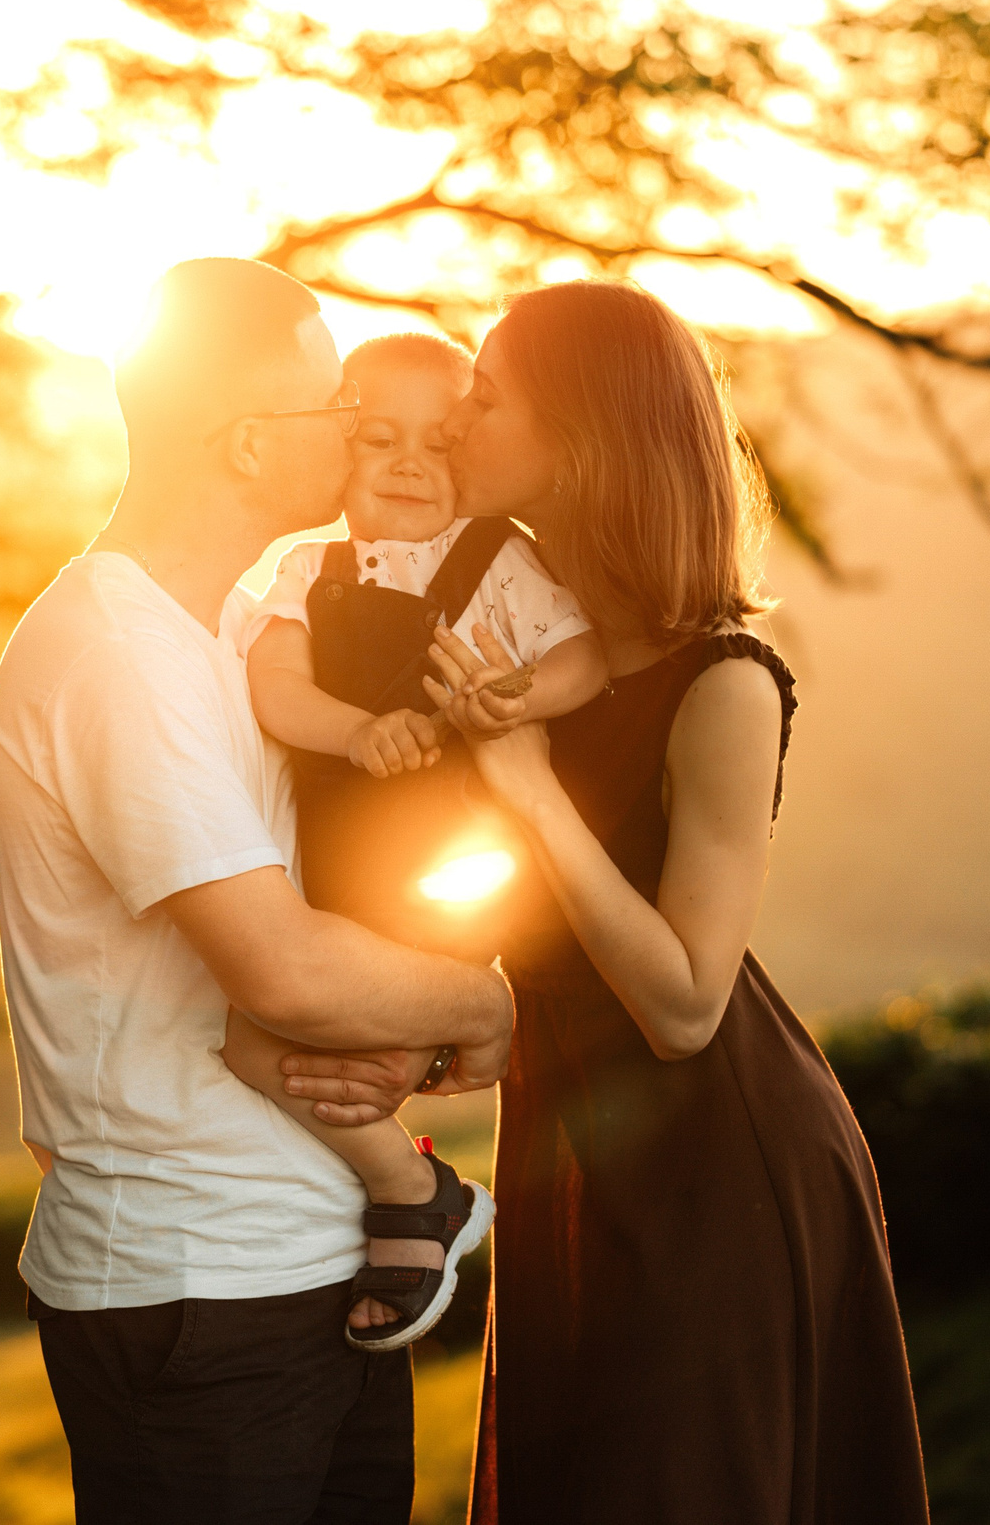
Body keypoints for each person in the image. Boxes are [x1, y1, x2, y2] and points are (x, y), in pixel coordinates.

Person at [278, 281, 933, 1523]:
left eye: (483, 398)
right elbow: (488, 913)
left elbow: (686, 1002)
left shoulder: (720, 679)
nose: (452, 422)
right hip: (569, 1141)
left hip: (716, 1162)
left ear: (574, 442)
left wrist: (525, 789)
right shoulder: (504, 634)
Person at [0, 258, 517, 1524]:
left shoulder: (226, 631)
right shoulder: (121, 655)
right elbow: (278, 966)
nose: (357, 426)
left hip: (306, 1267)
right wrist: (485, 1011)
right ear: (243, 443)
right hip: (196, 1293)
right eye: (334, 401)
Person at [221, 333, 608, 1351]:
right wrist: (353, 729)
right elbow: (276, 685)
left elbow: (579, 656)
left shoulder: (498, 557)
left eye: (438, 445)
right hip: (335, 876)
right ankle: (409, 1182)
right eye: (379, 439)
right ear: (339, 450)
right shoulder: (309, 570)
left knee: (378, 1027)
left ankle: (404, 1212)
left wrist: (514, 695)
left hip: (453, 870)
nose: (407, 464)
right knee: (253, 1035)